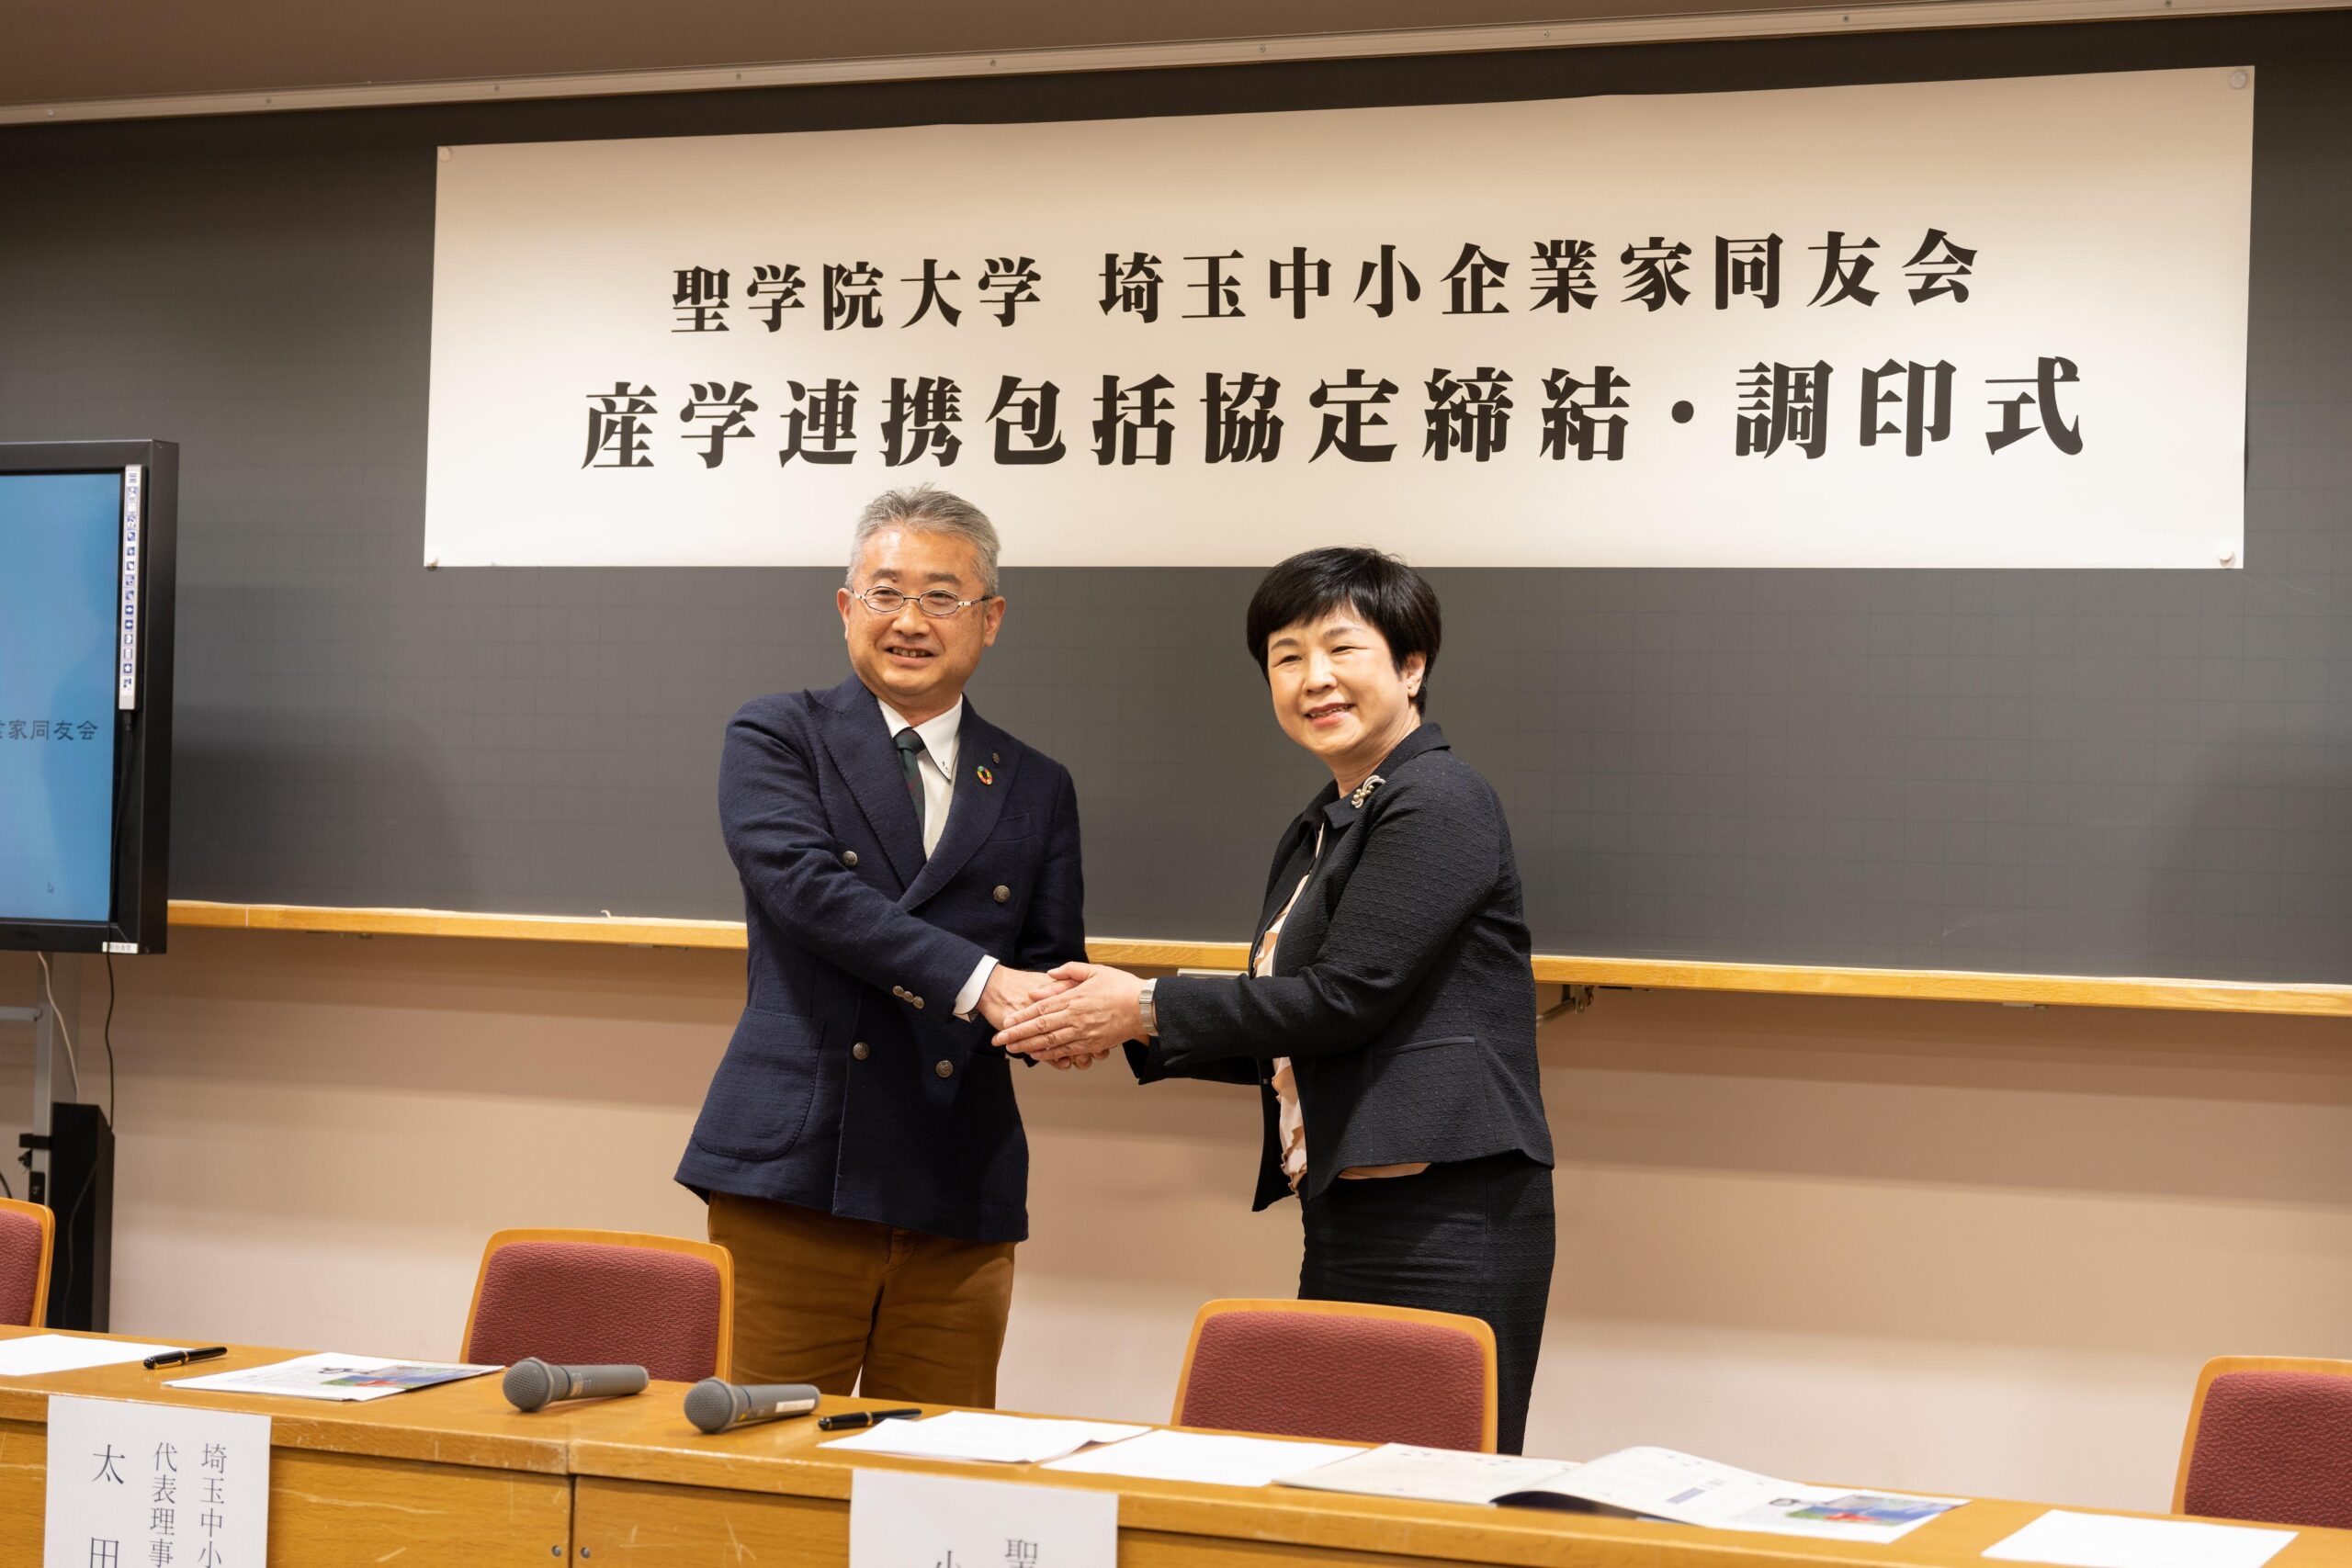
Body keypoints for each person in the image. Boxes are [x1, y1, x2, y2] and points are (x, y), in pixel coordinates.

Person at [993, 547, 1555, 1451]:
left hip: (1447, 1213)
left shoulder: (1439, 796)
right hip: (1349, 1200)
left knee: (1428, 1486)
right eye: (1287, 657)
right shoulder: (1326, 823)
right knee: (1329, 1476)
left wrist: (1143, 1007)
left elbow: (1346, 999)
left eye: (1341, 648)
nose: (1313, 678)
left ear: (1411, 666)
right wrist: (1111, 1022)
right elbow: (1295, 1019)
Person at [676, 485, 1085, 1408]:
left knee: (936, 1468)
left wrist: (1064, 1020)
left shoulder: (1035, 783)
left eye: (941, 596)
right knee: (766, 1458)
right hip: (798, 1169)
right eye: (885, 592)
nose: (909, 620)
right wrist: (982, 982)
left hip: (957, 1185)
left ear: (990, 619)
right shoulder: (779, 734)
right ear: (845, 606)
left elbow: (1047, 958)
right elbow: (808, 893)